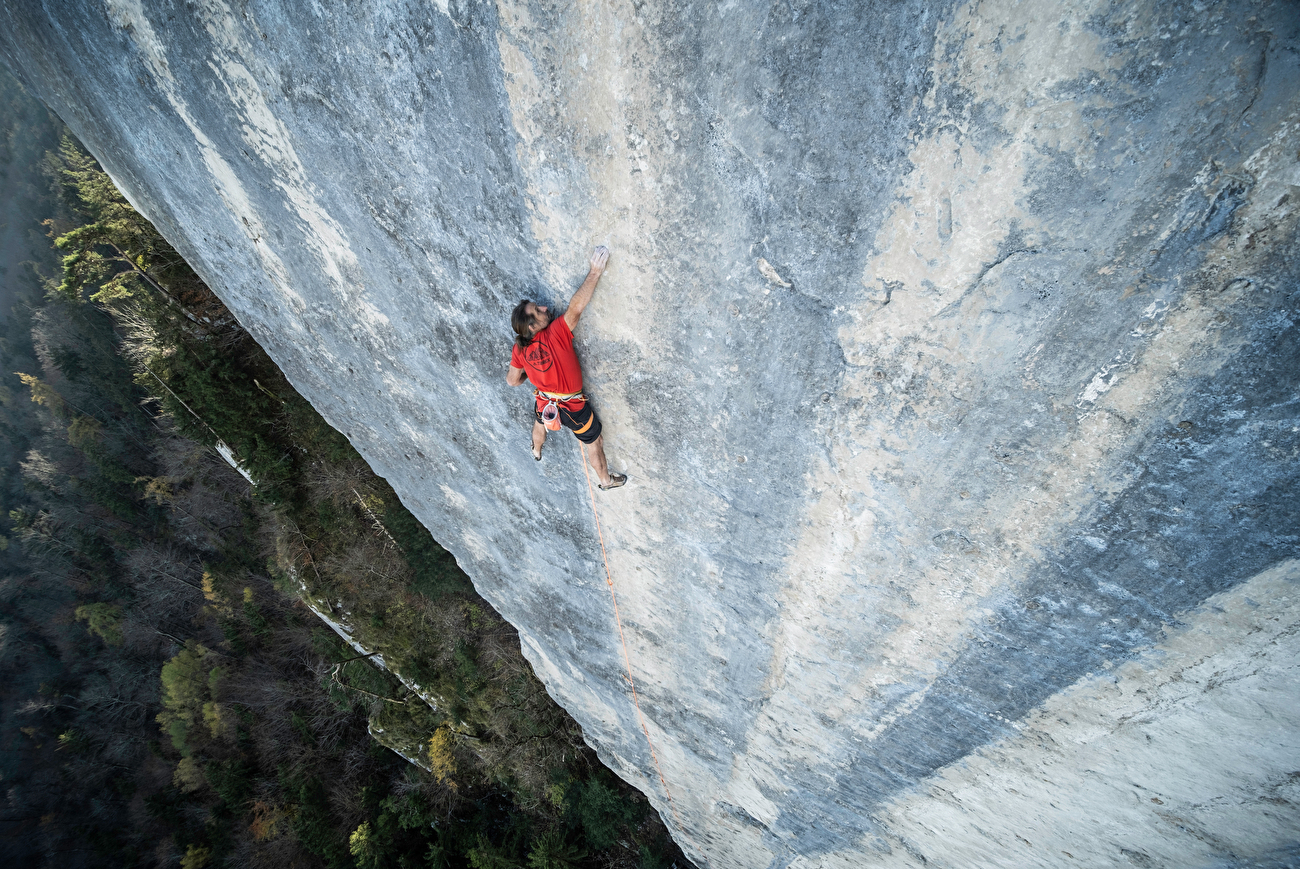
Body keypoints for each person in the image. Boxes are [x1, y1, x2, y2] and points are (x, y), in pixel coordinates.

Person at [506, 245, 627, 490]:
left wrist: (529, 376)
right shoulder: (555, 333)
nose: (543, 307)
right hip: (573, 408)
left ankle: (536, 451)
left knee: (540, 421)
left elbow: (511, 380)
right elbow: (576, 308)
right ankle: (605, 482)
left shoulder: (519, 348)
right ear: (532, 327)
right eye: (537, 311)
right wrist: (594, 272)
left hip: (544, 402)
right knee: (595, 443)